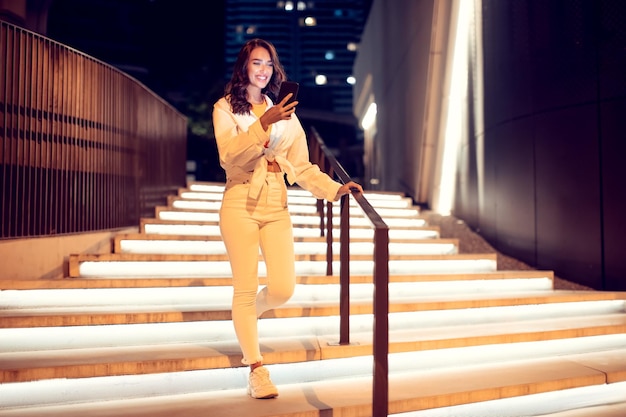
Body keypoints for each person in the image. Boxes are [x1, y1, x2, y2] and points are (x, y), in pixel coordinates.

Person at [212, 38, 363, 399]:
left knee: (283, 288)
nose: (262, 70)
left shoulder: (285, 113)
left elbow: (304, 165)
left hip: (276, 201)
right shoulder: (225, 109)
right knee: (245, 288)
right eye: (255, 63)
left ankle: (245, 316)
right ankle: (256, 368)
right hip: (240, 199)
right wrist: (262, 123)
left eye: (268, 64)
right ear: (243, 68)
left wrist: (334, 189)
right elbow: (230, 158)